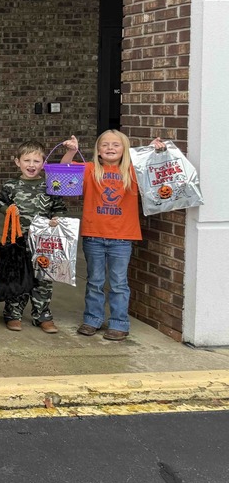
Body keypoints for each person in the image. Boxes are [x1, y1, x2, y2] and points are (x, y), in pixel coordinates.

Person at [60, 132, 165, 341]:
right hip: (94, 236)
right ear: (98, 150)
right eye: (105, 144)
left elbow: (155, 172)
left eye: (116, 145)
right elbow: (64, 172)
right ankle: (92, 319)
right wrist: (71, 151)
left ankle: (119, 323)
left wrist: (153, 152)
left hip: (122, 237)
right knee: (95, 281)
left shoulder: (132, 171)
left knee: (118, 283)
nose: (110, 148)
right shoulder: (90, 170)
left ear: (124, 149)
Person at [0, 141, 67, 333]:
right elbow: (0, 203)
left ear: (43, 163)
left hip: (43, 242)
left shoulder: (50, 185)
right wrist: (8, 209)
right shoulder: (11, 185)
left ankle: (42, 314)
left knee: (43, 279)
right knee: (17, 277)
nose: (32, 164)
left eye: (37, 160)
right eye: (27, 160)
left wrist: (56, 219)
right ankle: (13, 314)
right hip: (17, 242)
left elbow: (58, 208)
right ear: (17, 162)